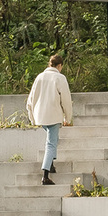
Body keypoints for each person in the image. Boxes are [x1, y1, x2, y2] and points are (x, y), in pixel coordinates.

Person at [27, 51, 73, 185]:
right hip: (53, 115)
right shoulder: (59, 78)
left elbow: (31, 99)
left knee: (53, 139)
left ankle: (51, 165)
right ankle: (45, 176)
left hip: (41, 115)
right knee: (51, 143)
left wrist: (32, 116)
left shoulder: (39, 77)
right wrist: (67, 117)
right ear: (59, 65)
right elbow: (66, 99)